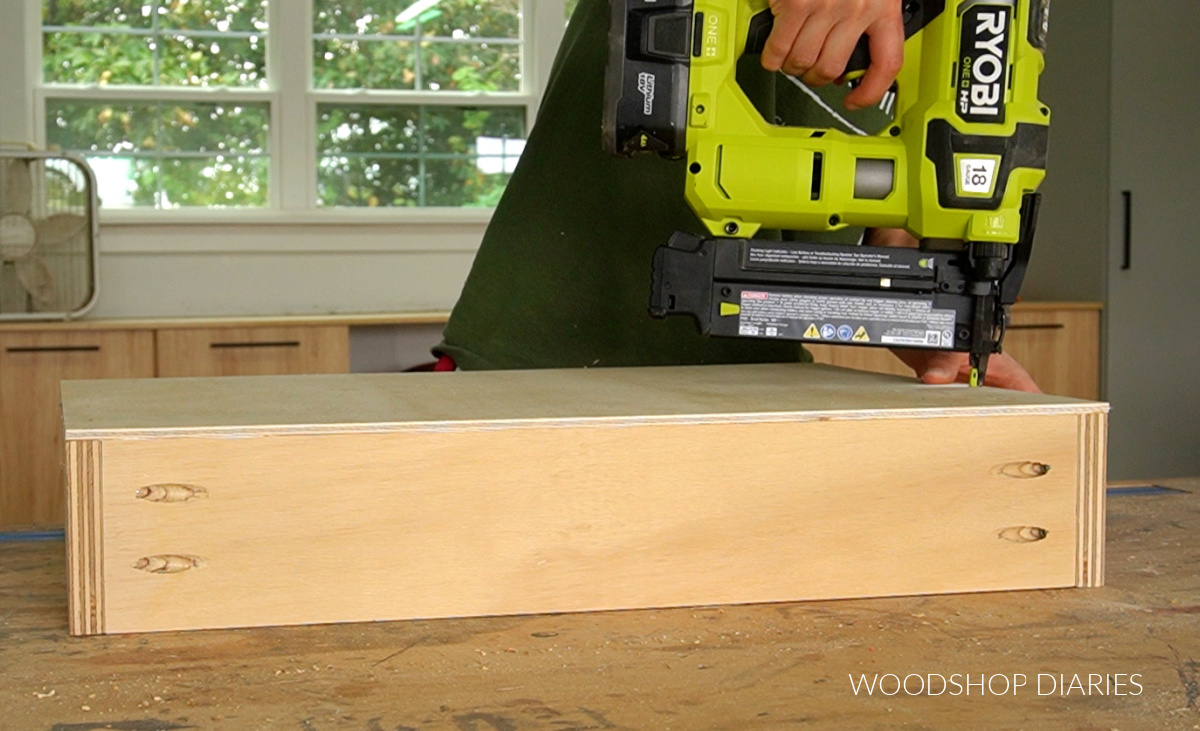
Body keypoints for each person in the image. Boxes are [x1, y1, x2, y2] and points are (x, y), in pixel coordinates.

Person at [433, 0, 1040, 393]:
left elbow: (905, 200)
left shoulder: (964, 31)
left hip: (752, 388)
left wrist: (931, 321)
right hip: (534, 374)